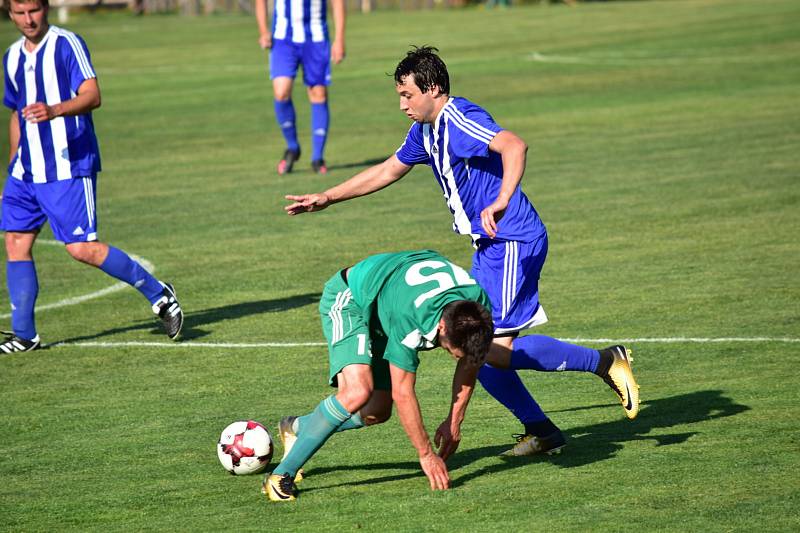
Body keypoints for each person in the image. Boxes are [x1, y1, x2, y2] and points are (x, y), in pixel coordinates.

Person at [284, 46, 639, 456]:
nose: (402, 104)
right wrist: (328, 197)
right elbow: (388, 169)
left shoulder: (460, 119)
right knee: (481, 353)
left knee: (489, 350)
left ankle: (603, 362)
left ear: (433, 89)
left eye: (407, 95)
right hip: (490, 245)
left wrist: (503, 198)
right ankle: (542, 431)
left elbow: (514, 146)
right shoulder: (425, 130)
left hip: (511, 241)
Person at [1, 0, 183, 353]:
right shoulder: (11, 56)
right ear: (10, 14)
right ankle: (24, 334)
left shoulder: (66, 43)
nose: (28, 20)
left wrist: (54, 110)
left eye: (34, 11)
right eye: (20, 13)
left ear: (45, 8)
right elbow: (15, 114)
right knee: (15, 243)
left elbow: (92, 95)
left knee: (81, 248)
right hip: (25, 172)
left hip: (68, 166)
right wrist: (13, 168)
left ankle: (159, 294)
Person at [262, 249, 494, 501]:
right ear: (442, 326)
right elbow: (403, 393)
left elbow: (471, 362)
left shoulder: (477, 310)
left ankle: (297, 427)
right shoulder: (411, 318)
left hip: (387, 309)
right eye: (451, 350)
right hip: (351, 298)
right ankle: (279, 476)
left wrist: (454, 420)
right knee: (357, 391)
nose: (453, 357)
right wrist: (426, 454)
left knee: (377, 411)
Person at [255, 0, 346, 175]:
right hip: (283, 38)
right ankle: (292, 147)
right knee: (281, 92)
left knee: (318, 93)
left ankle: (317, 158)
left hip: (316, 37)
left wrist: (339, 39)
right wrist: (263, 30)